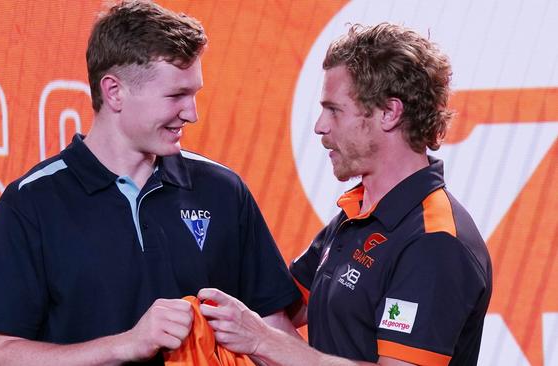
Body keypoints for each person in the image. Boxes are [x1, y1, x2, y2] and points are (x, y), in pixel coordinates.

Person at [0, 1, 300, 365]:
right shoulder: (30, 205)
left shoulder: (223, 191)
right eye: (176, 96)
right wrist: (125, 345)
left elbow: (273, 331)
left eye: (194, 93)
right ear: (114, 92)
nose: (192, 113)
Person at [198, 23, 493, 366]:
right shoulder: (356, 214)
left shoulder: (436, 241)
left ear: (389, 113)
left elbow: (267, 333)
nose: (320, 125)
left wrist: (263, 341)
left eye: (334, 109)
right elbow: (275, 310)